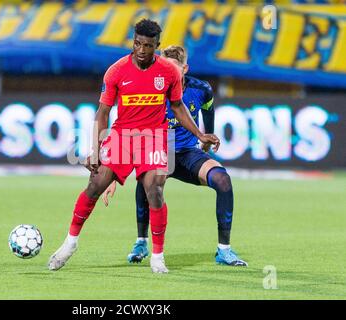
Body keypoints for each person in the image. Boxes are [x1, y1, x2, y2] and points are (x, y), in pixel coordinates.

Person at [48, 20, 220, 273]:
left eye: (148, 46)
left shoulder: (169, 72)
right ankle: (70, 243)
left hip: (154, 136)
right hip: (122, 135)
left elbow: (178, 108)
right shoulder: (116, 71)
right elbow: (103, 112)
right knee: (96, 184)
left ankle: (158, 256)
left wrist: (199, 134)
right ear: (133, 42)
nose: (141, 50)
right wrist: (95, 150)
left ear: (156, 46)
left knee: (155, 189)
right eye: (137, 43)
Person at [102, 45, 247, 267]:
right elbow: (127, 126)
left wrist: (206, 138)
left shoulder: (201, 89)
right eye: (163, 65)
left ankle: (224, 250)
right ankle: (141, 242)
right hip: (157, 150)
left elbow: (208, 108)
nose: (165, 71)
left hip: (187, 153)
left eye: (172, 67)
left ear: (184, 69)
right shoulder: (150, 87)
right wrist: (112, 173)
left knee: (223, 180)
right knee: (146, 182)